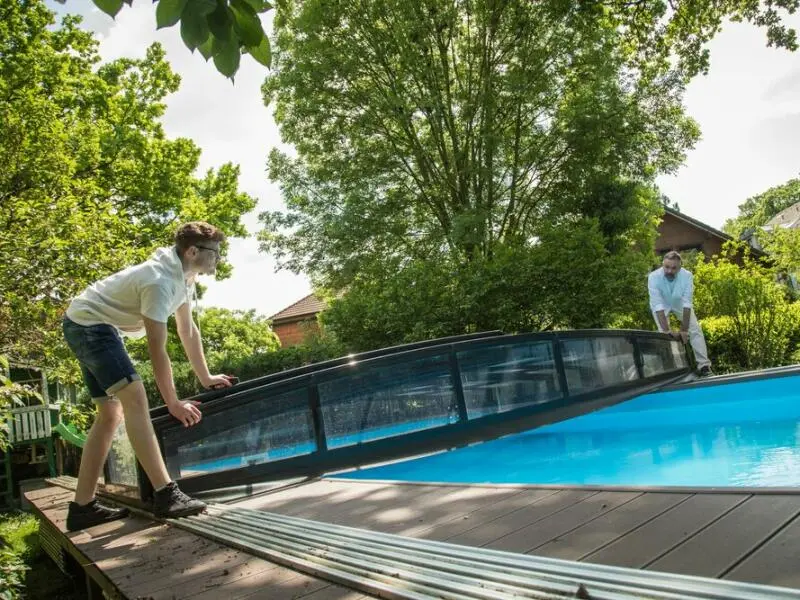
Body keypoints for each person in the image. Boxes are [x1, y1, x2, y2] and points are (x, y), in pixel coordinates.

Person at [62, 222, 234, 531]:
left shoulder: (184, 277)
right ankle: (166, 494)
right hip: (90, 326)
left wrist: (205, 375)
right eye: (215, 252)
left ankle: (82, 507)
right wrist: (173, 402)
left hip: (83, 322)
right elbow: (158, 349)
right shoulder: (159, 282)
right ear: (193, 251)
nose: (218, 258)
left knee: (110, 414)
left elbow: (187, 329)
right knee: (135, 399)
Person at [648, 250, 712, 376]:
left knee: (695, 329)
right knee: (664, 334)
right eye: (667, 267)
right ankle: (671, 368)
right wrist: (667, 331)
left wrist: (684, 329)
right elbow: (658, 306)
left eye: (674, 268)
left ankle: (704, 366)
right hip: (661, 304)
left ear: (680, 267)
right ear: (663, 264)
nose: (670, 271)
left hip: (679, 302)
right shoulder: (653, 277)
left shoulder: (687, 275)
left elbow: (687, 303)